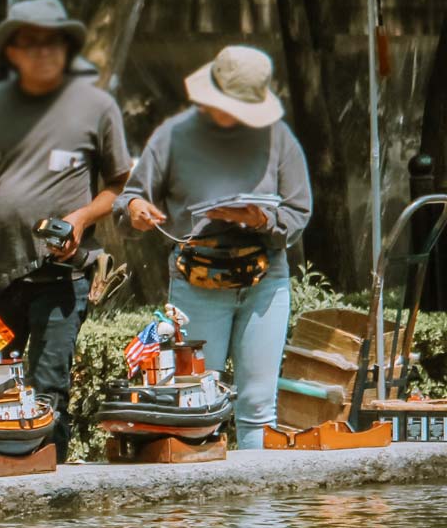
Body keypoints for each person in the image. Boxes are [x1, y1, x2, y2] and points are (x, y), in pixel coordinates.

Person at [0, 0, 131, 461]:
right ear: (12, 51)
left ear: (67, 47)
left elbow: (119, 185)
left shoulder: (96, 107)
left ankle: (50, 503)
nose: (43, 51)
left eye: (53, 42)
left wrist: (81, 218)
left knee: (48, 391)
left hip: (63, 279)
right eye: (31, 42)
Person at [119, 46, 312, 449]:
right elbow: (129, 199)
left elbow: (298, 211)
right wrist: (136, 208)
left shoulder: (279, 137)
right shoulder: (173, 135)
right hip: (196, 280)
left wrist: (260, 219)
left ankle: (258, 512)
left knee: (259, 407)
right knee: (193, 403)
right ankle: (199, 513)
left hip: (264, 277)